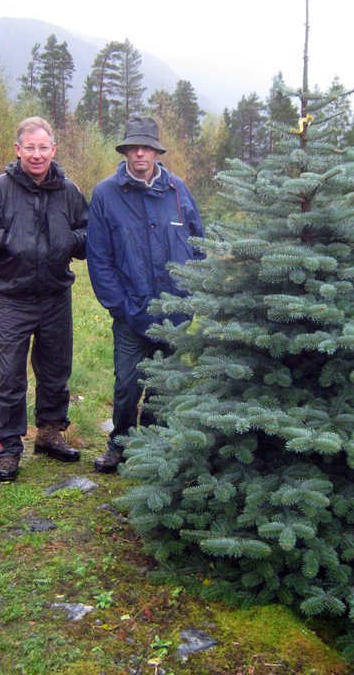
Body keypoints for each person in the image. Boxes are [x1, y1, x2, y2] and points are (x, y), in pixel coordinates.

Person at [0, 116, 88, 482]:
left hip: (55, 296)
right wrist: (4, 239)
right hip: (12, 298)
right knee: (11, 375)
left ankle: (49, 434)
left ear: (54, 150)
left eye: (43, 147)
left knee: (55, 370)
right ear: (17, 150)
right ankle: (8, 447)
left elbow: (88, 230)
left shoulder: (68, 190)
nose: (36, 154)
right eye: (29, 147)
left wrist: (69, 240)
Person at [87, 116, 204, 473]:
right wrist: (120, 307)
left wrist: (191, 295)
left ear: (156, 151)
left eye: (146, 147)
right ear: (124, 151)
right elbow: (99, 257)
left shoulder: (177, 190)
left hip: (176, 311)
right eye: (132, 147)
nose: (140, 153)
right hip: (131, 314)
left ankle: (153, 446)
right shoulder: (105, 194)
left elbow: (200, 243)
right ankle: (120, 443)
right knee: (126, 386)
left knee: (162, 385)